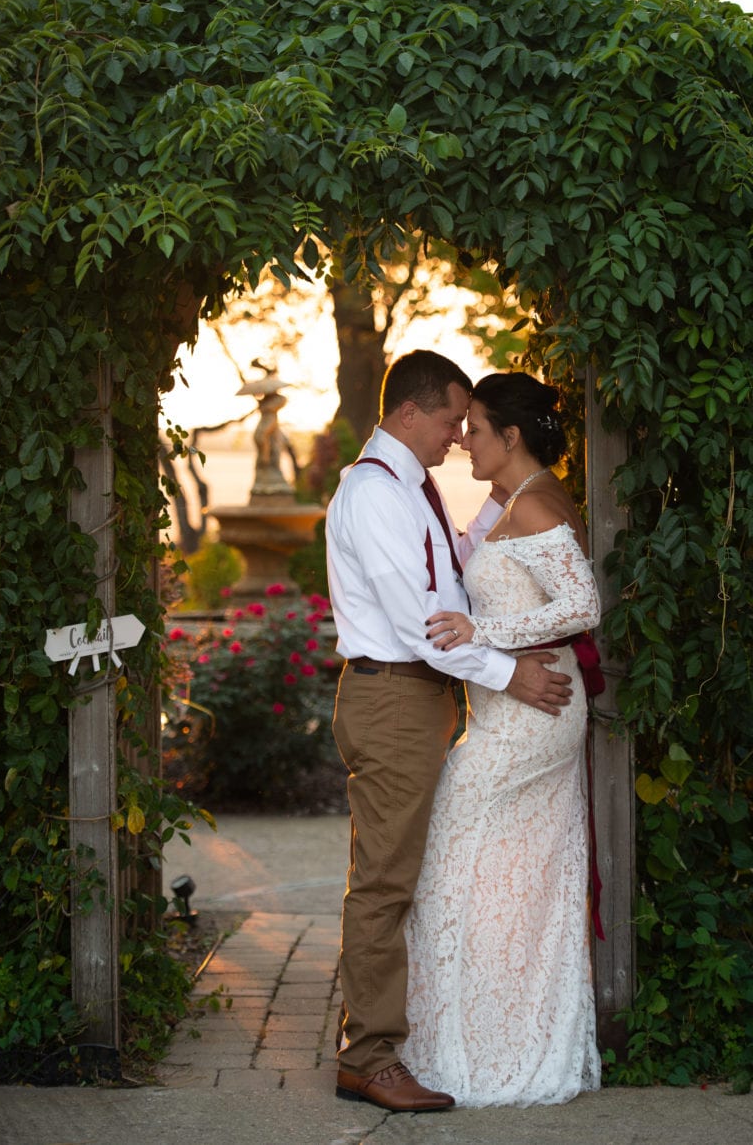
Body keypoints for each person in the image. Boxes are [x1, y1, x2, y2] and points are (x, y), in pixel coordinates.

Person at [325, 350, 575, 1113]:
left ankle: (379, 1038)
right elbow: (418, 623)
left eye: (467, 425)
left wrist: (513, 497)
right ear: (408, 413)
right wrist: (514, 676)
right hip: (394, 697)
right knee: (387, 882)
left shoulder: (412, 487)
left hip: (420, 698)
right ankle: (369, 1057)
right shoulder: (375, 495)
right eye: (447, 421)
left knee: (400, 871)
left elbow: (455, 579)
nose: (456, 437)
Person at [401, 370, 602, 1108]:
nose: (463, 442)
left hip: (536, 713)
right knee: (508, 879)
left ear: (509, 436)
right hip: (510, 709)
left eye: (475, 428)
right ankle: (491, 1036)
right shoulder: (506, 501)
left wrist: (484, 634)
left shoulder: (540, 502)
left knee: (450, 853)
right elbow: (464, 564)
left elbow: (584, 604)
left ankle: (474, 1047)